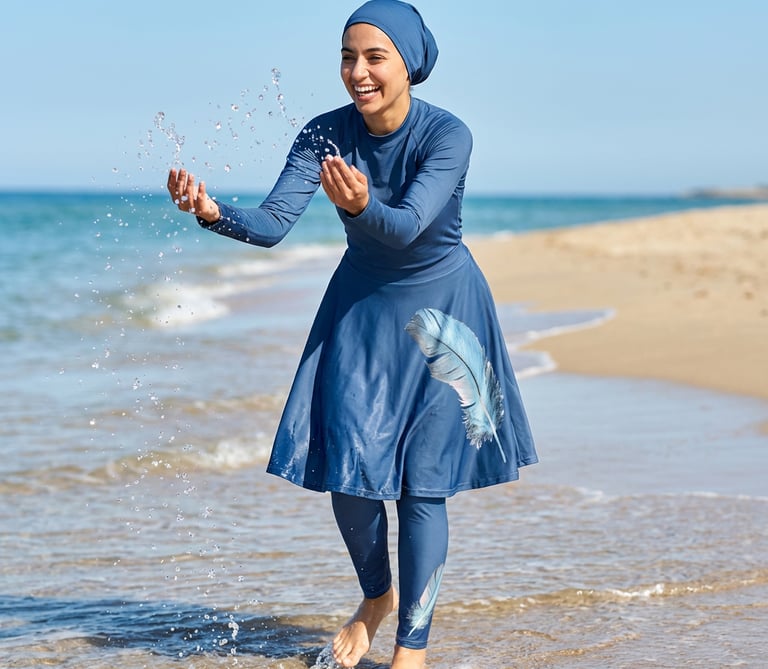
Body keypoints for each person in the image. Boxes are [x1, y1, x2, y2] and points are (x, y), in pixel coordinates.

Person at [167, 1, 537, 667]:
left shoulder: (447, 136)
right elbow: (275, 222)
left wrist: (363, 204)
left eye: (374, 57)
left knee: (423, 486)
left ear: (408, 64)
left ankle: (410, 650)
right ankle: (377, 595)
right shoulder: (324, 135)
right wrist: (214, 211)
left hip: (444, 313)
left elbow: (409, 225)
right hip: (361, 312)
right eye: (347, 57)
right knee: (350, 477)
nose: (357, 72)